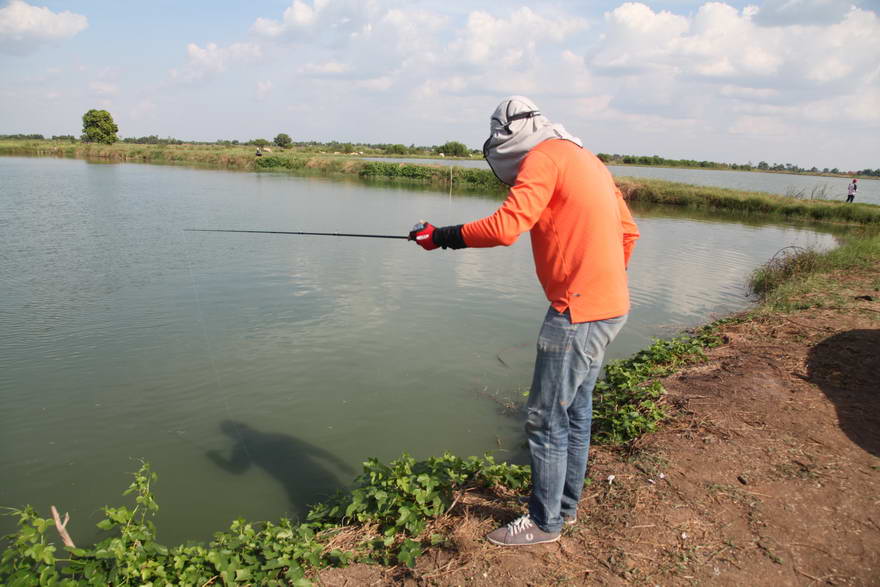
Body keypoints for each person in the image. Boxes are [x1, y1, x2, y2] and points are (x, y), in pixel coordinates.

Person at [408, 96, 639, 546]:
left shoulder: (542, 158)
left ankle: (544, 522)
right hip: (611, 306)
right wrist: (601, 278)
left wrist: (440, 237)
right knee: (575, 411)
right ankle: (564, 509)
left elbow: (505, 228)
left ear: (509, 140)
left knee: (544, 417)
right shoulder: (585, 158)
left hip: (576, 311)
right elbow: (629, 232)